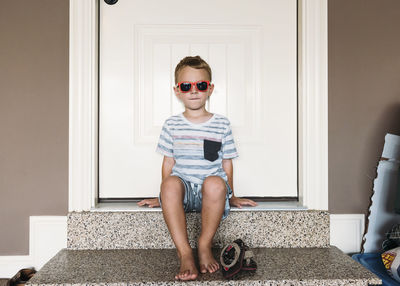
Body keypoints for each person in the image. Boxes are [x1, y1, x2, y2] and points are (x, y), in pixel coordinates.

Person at [137, 56, 257, 281]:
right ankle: (185, 253)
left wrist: (231, 194)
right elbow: (169, 163)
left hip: (211, 195)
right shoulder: (172, 124)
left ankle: (204, 245)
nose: (194, 91)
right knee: (170, 184)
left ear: (209, 89)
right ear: (177, 91)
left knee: (214, 182)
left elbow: (226, 162)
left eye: (200, 85)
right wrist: (162, 195)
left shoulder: (221, 124)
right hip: (183, 190)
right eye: (186, 86)